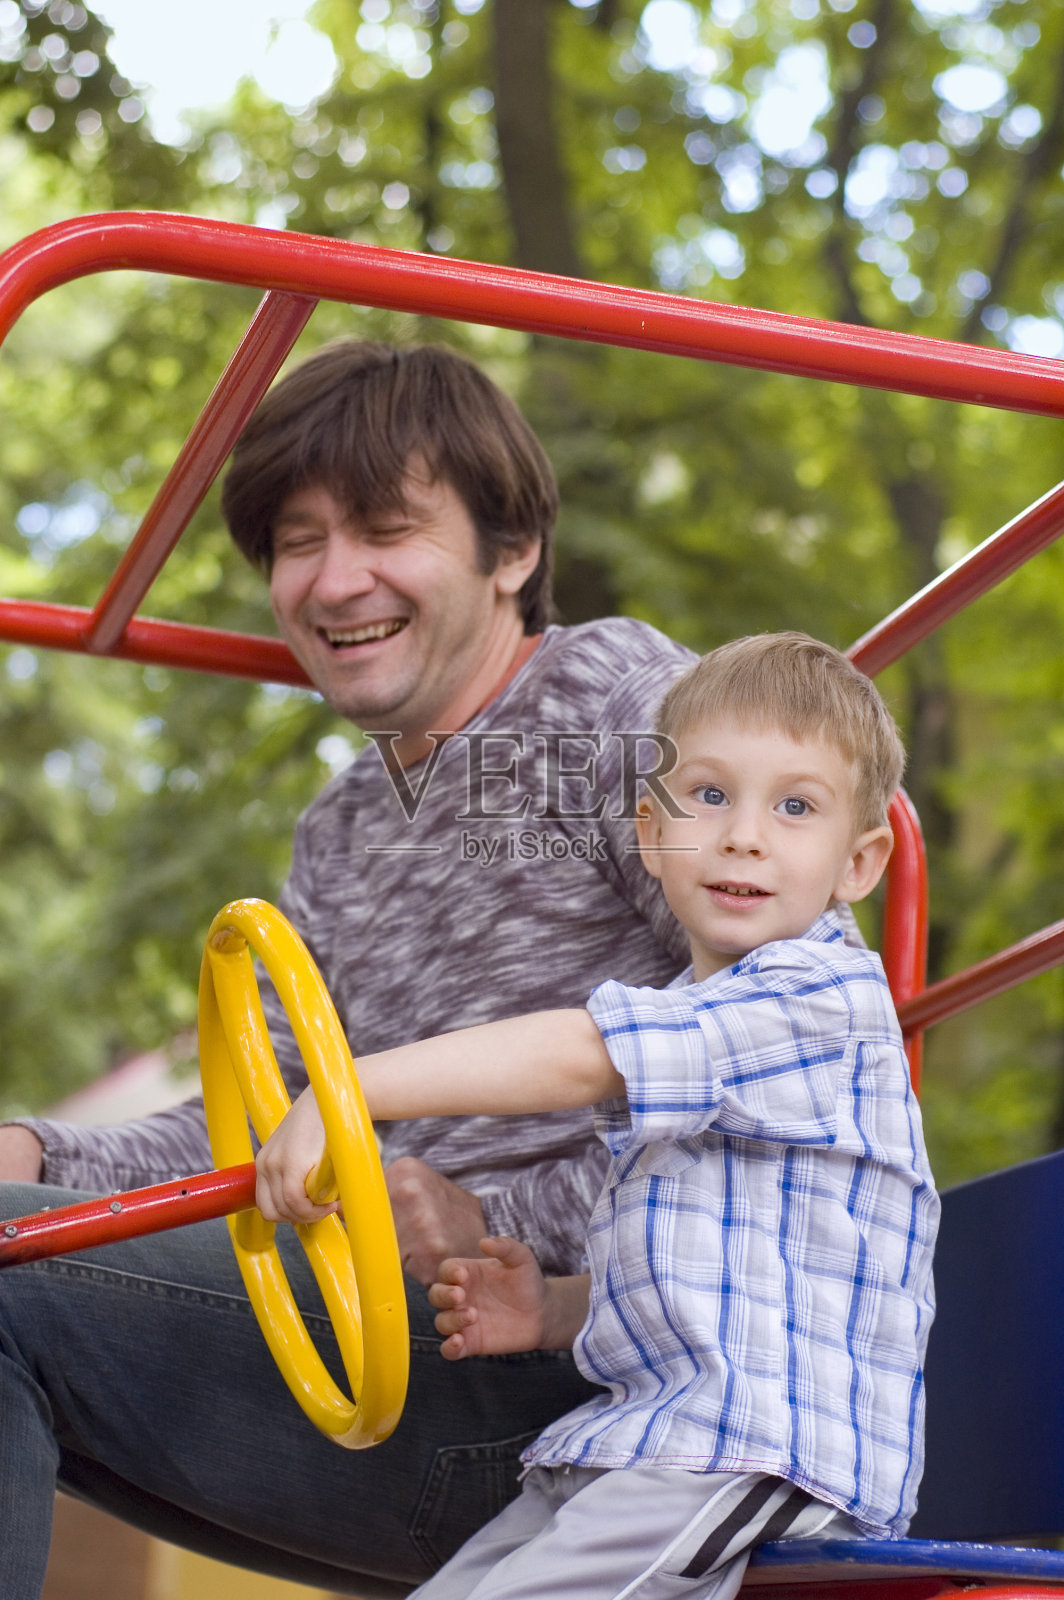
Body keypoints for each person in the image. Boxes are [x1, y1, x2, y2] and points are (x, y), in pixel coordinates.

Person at [0, 340, 700, 1598]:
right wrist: (41, 1158)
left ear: (512, 552)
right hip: (383, 1356)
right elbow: (253, 1117)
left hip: (578, 1388)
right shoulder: (345, 822)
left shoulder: (617, 704)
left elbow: (789, 1051)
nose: (333, 581)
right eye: (295, 540)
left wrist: (498, 1230)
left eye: (384, 527)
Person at [255, 633, 940, 1600]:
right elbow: (717, 1280)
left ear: (859, 863)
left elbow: (580, 1053)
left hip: (761, 1451)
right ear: (652, 834)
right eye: (710, 796)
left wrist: (350, 1089)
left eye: (795, 807)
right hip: (640, 1449)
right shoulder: (700, 1031)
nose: (745, 833)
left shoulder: (815, 1000)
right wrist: (553, 1311)